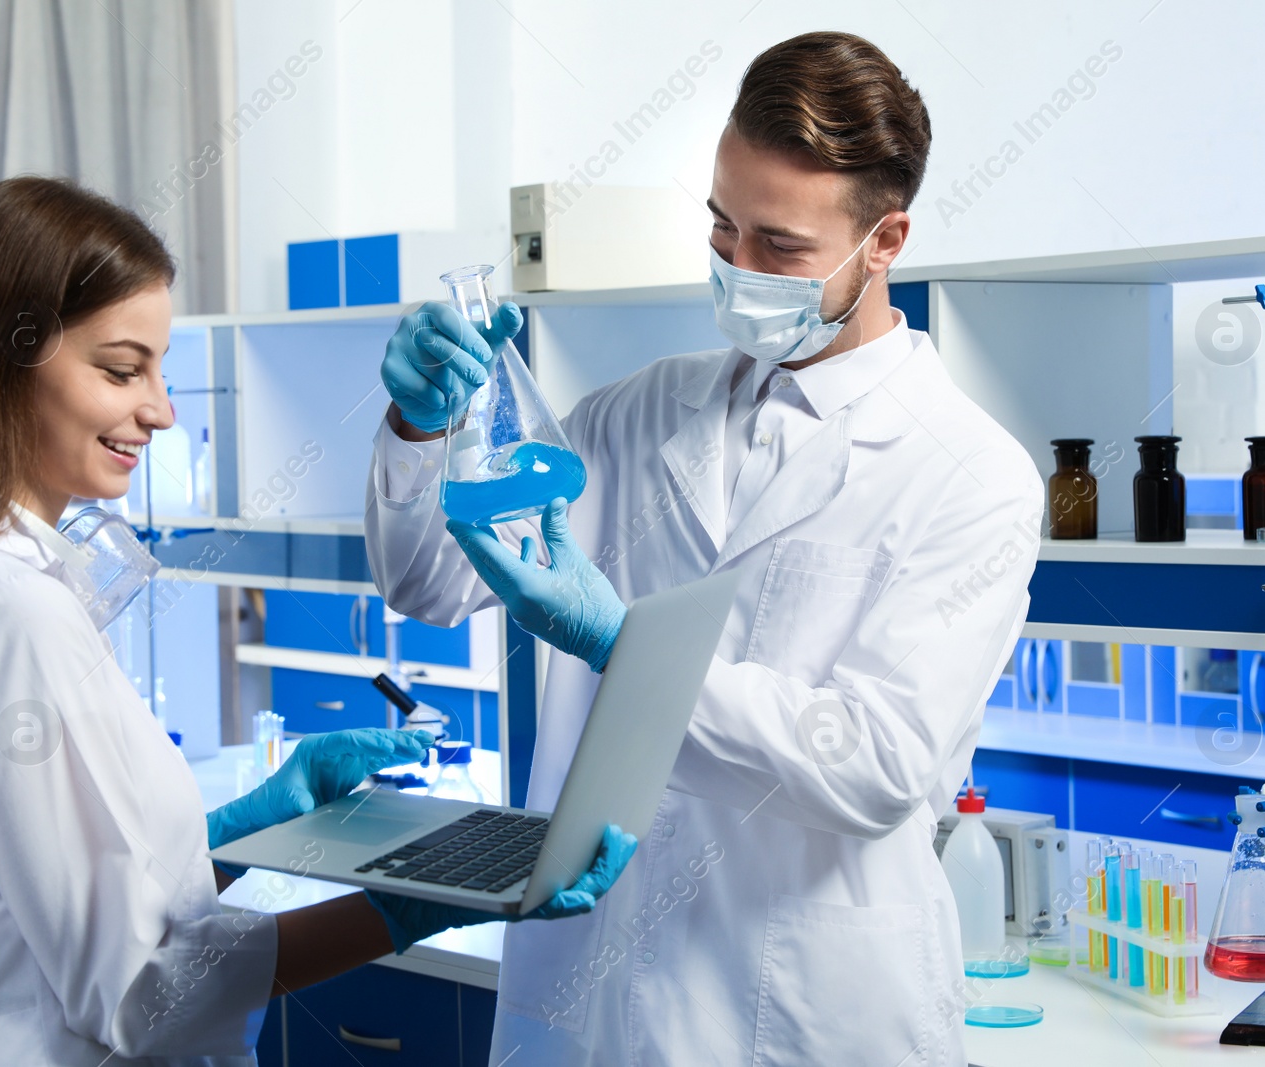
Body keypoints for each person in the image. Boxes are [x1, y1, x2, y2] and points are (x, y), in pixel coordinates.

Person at [0, 176, 635, 1066]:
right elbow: (147, 995)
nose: (162, 410)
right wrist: (419, 904)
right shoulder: (9, 614)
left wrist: (254, 821)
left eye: (161, 369)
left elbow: (68, 905)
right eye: (120, 367)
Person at [365, 31, 1044, 1066]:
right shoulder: (637, 414)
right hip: (590, 994)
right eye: (723, 227)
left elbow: (870, 767)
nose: (737, 267)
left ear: (886, 239)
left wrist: (618, 645)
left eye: (780, 247)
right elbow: (428, 579)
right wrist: (420, 428)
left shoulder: (970, 475)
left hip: (805, 1014)